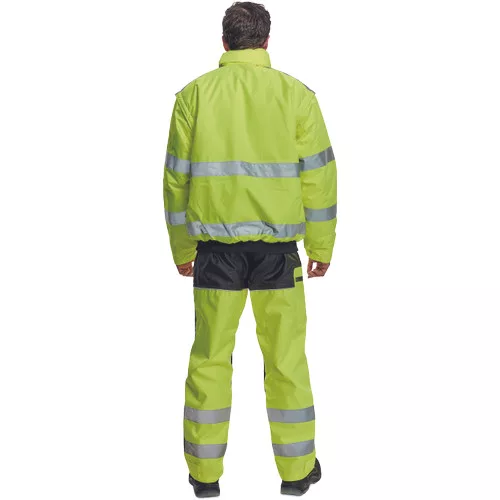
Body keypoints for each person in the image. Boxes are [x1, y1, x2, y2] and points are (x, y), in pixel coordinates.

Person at [163, 2, 337, 497]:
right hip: (278, 256)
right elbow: (320, 177)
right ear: (266, 41)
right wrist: (321, 245)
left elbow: (175, 181)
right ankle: (296, 473)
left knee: (210, 361)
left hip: (214, 253)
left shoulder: (194, 95)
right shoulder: (296, 95)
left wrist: (181, 248)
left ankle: (204, 477)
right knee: (286, 362)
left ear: (225, 42)